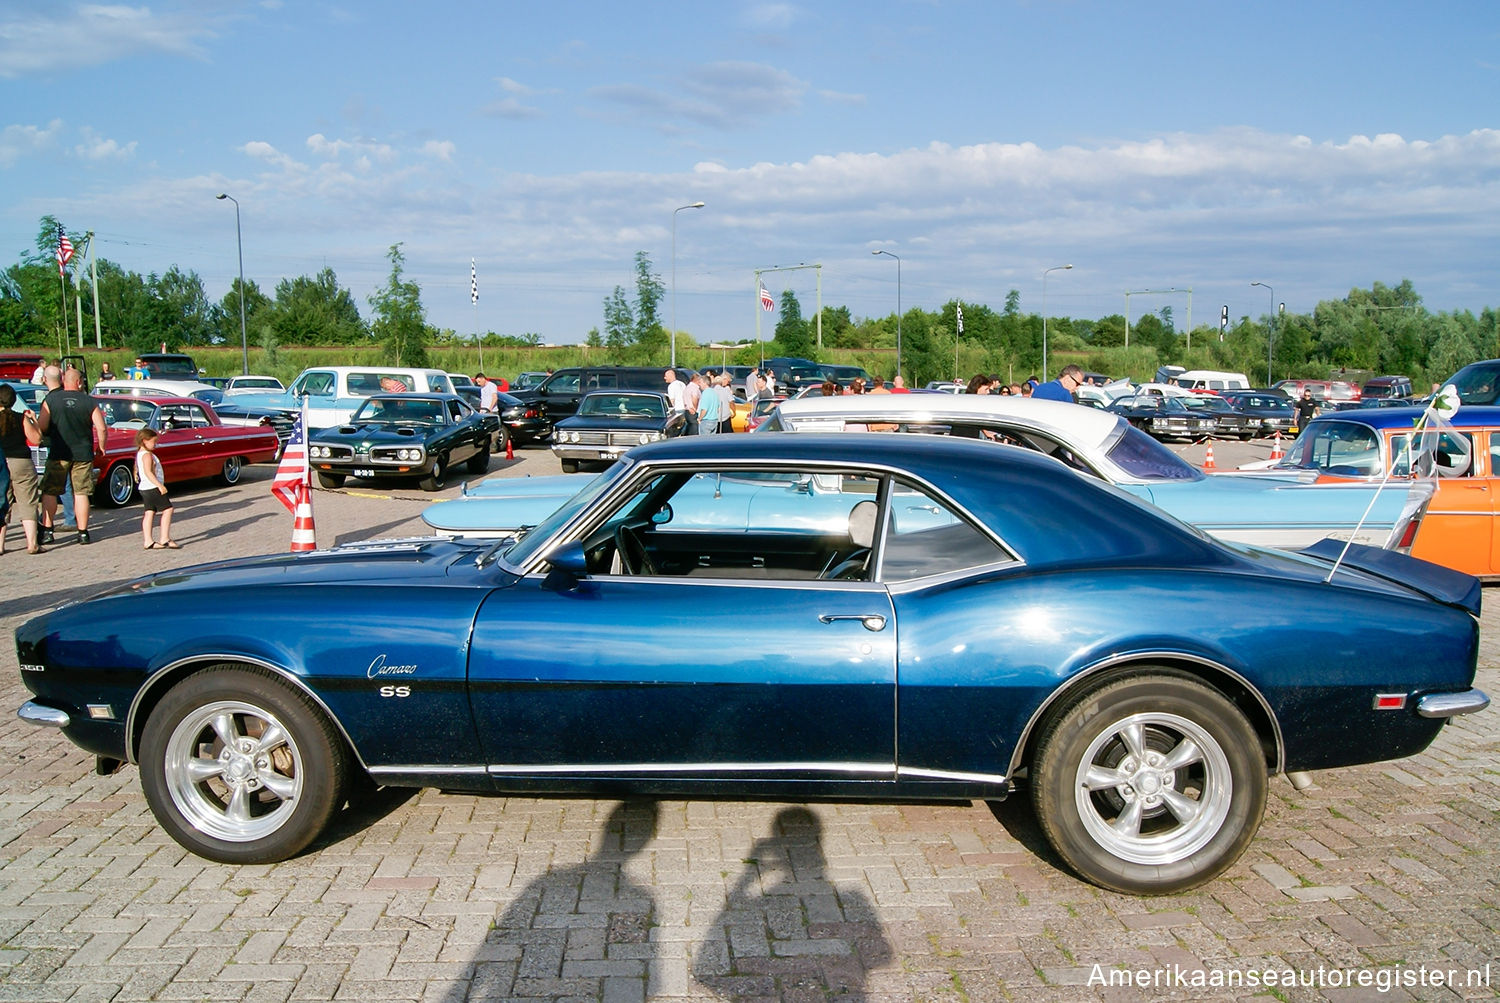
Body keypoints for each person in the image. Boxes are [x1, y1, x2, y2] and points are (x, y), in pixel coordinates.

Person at [38, 366, 107, 545]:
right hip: (82, 453)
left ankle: (47, 530)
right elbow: (101, 427)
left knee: (50, 491)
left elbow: (43, 426)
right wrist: (101, 446)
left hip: (58, 452)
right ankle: (83, 532)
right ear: (78, 382)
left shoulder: (51, 400)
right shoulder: (89, 401)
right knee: (81, 492)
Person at [0, 384, 44, 554]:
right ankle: (32, 543)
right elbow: (37, 439)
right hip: (21, 462)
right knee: (28, 501)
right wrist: (33, 420)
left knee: (2, 502)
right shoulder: (21, 418)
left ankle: (0, 545)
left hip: (1, 461)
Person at [135, 428, 179, 549]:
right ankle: (164, 537)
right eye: (154, 441)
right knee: (168, 510)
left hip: (144, 487)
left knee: (149, 512)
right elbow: (148, 472)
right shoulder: (147, 455)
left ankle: (148, 540)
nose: (156, 444)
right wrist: (160, 485)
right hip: (152, 486)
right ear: (145, 441)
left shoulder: (140, 453)